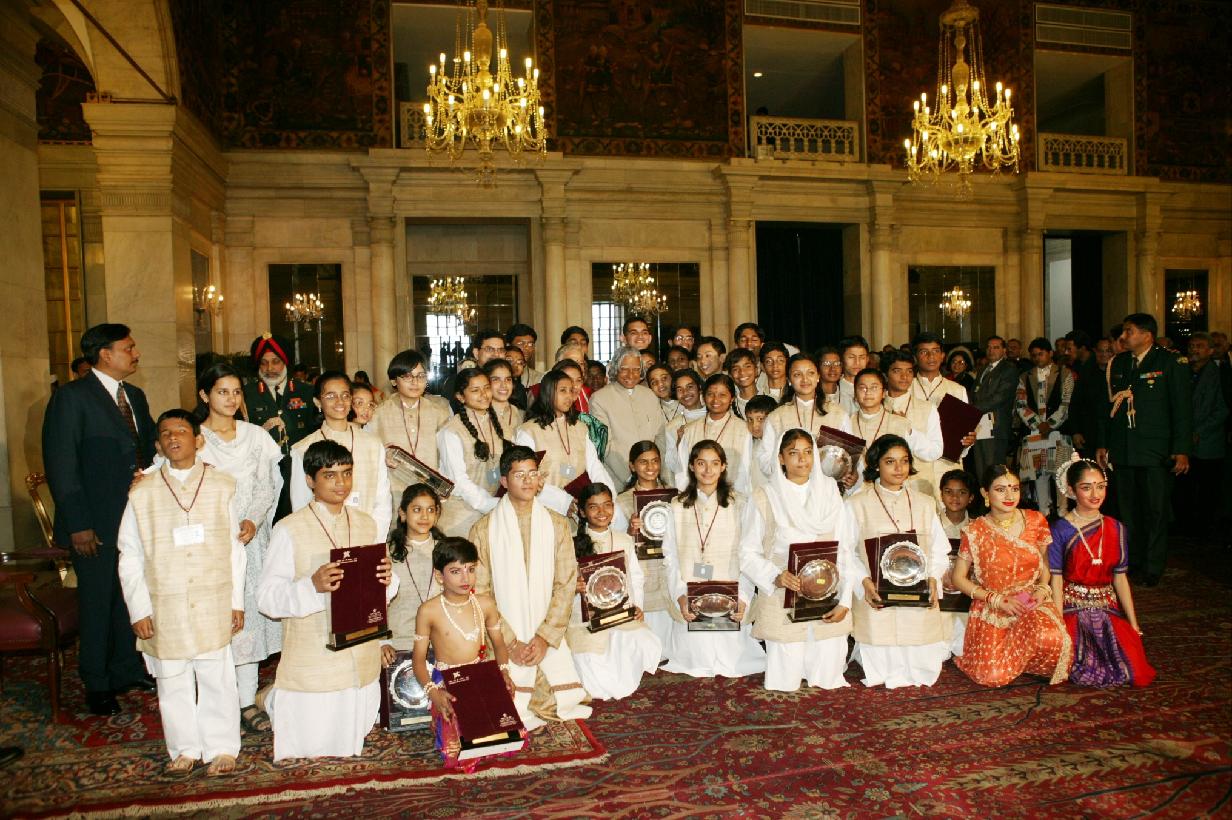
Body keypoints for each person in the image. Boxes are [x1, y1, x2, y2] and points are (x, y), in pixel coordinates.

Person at [117, 409, 245, 775]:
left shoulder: (222, 485)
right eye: (166, 433)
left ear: (198, 440)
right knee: (171, 678)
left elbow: (234, 548)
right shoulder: (142, 492)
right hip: (165, 601)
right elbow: (129, 553)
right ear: (158, 445)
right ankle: (184, 748)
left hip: (213, 596)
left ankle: (222, 747)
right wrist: (139, 609)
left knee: (216, 675)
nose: (174, 437)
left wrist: (236, 601)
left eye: (182, 431)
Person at [257, 440, 397, 761]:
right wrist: (313, 586)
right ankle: (273, 699)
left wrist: (387, 578)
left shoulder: (366, 523)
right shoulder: (289, 528)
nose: (341, 483)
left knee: (355, 735)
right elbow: (266, 598)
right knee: (312, 743)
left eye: (346, 473)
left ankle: (272, 699)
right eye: (329, 475)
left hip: (359, 650)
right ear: (310, 480)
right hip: (314, 653)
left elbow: (380, 588)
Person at [42, 323, 155, 716]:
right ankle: (97, 682)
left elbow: (145, 451)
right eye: (129, 347)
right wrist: (78, 525)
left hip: (134, 518)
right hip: (93, 522)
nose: (136, 353)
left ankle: (126, 668)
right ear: (105, 354)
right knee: (96, 602)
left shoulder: (135, 396)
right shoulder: (72, 398)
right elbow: (61, 465)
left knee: (128, 594)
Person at [469, 446, 593, 730]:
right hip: (503, 638)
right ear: (504, 481)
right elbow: (481, 594)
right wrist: (511, 644)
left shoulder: (558, 524)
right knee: (503, 705)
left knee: (557, 699)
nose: (528, 481)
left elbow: (565, 585)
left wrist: (544, 638)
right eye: (519, 475)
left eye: (533, 474)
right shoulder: (483, 530)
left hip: (546, 633)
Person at [194, 364, 284, 734]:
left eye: (236, 391)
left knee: (246, 622)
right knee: (216, 621)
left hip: (250, 539)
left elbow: (268, 485)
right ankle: (218, 701)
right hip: (210, 544)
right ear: (205, 395)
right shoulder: (194, 438)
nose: (231, 399)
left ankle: (246, 701)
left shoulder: (255, 436)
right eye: (222, 391)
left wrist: (253, 520)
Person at [742, 429, 859, 691]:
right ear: (781, 458)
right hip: (784, 591)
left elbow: (844, 549)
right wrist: (775, 576)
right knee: (785, 681)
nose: (802, 459)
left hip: (828, 592)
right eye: (793, 453)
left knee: (828, 679)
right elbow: (747, 551)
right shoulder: (764, 496)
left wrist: (845, 600)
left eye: (808, 452)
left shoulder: (830, 491)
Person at [950, 465, 1071, 687]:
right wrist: (996, 599)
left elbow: (1045, 564)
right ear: (985, 493)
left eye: (1014, 489)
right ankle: (1011, 659)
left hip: (1030, 600)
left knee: (1053, 640)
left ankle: (1024, 662)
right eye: (1000, 489)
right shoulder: (975, 530)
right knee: (992, 676)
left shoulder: (1035, 520)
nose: (1009, 496)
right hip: (994, 605)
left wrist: (1042, 588)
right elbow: (958, 578)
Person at [847, 435, 952, 688]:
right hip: (877, 594)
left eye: (904, 461)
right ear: (875, 464)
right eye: (890, 461)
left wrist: (933, 578)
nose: (899, 468)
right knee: (882, 667)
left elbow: (939, 549)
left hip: (917, 593)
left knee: (924, 666)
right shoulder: (857, 504)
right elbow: (846, 553)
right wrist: (864, 582)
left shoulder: (925, 503)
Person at [1096, 313, 1192, 586]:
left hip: (1155, 451)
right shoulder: (1119, 363)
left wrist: (1181, 449)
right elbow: (1108, 408)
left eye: (1129, 331)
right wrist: (1104, 443)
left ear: (1147, 335)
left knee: (1155, 511)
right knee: (1128, 511)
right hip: (1124, 449)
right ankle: (1132, 561)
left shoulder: (1170, 362)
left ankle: (1153, 566)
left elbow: (1182, 409)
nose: (1123, 337)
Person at [660, 440, 766, 678]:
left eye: (714, 463)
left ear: (723, 466)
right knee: (696, 657)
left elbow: (749, 555)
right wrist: (681, 595)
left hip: (729, 591)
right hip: (691, 592)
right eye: (701, 463)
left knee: (733, 658)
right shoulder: (676, 506)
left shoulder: (740, 503)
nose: (708, 470)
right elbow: (671, 556)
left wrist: (743, 598)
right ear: (691, 466)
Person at [411, 537, 515, 769]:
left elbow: (499, 645)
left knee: (506, 740)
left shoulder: (485, 604)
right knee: (458, 752)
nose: (465, 578)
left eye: (470, 569)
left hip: (481, 675)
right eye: (456, 571)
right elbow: (418, 661)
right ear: (440, 576)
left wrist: (504, 672)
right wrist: (434, 693)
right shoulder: (428, 611)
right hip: (448, 682)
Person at [1049, 459, 1154, 687]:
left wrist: (1133, 623)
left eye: (1100, 486)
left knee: (1132, 670)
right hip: (1072, 607)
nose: (1095, 494)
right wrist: (1058, 624)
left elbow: (1120, 578)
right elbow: (1055, 579)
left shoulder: (1116, 528)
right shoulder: (1060, 529)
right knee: (1083, 666)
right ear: (1071, 491)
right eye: (1086, 487)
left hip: (1107, 607)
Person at [568, 483, 661, 699]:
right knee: (594, 667)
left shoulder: (623, 539)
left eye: (607, 505)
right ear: (582, 511)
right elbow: (558, 581)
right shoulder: (570, 542)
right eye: (594, 507)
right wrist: (573, 587)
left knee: (644, 640)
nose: (602, 512)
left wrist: (637, 606)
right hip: (585, 616)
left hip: (619, 611)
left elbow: (635, 577)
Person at [289, 372, 392, 538]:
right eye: (331, 396)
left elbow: (382, 499)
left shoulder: (372, 444)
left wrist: (375, 540)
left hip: (368, 536)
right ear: (317, 402)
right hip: (324, 538)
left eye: (345, 395)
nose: (340, 402)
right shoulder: (303, 449)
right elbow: (301, 505)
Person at [516, 369, 624, 522]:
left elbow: (594, 466)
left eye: (571, 391)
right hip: (544, 507)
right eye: (562, 391)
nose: (569, 396)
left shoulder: (580, 427)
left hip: (578, 506)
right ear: (548, 392)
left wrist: (608, 495)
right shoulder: (529, 431)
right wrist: (563, 501)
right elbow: (526, 477)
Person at [436, 368, 512, 536]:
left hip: (497, 512)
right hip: (462, 516)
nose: (484, 394)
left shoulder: (501, 424)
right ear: (460, 397)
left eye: (487, 388)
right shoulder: (451, 431)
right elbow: (458, 481)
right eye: (475, 390)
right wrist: (492, 504)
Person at [616, 441, 675, 654]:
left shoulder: (675, 497)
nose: (650, 467)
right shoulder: (622, 501)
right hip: (644, 567)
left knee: (672, 614)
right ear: (632, 466)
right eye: (643, 462)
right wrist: (630, 531)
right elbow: (616, 542)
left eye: (655, 461)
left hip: (669, 565)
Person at [369, 351, 452, 500]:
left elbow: (448, 458)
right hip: (392, 493)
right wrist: (383, 455)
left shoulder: (440, 413)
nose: (415, 382)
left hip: (430, 494)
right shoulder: (378, 414)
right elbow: (368, 454)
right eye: (407, 376)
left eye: (421, 376)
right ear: (394, 381)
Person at [1174, 332, 1228, 538]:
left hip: (1208, 441)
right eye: (1191, 345)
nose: (1194, 350)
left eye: (1199, 346)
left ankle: (1205, 528)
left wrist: (1199, 431)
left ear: (1210, 351)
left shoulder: (1219, 374)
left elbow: (1222, 410)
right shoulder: (1183, 371)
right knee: (1184, 488)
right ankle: (1184, 525)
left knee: (1207, 488)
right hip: (1184, 441)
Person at [589, 346, 667, 486]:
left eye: (636, 369)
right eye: (624, 369)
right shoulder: (599, 399)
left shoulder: (649, 395)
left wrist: (658, 472)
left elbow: (660, 436)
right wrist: (631, 478)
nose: (631, 375)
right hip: (619, 479)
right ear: (615, 368)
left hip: (653, 477)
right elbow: (605, 446)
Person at [1014, 338, 1075, 518]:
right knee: (1039, 473)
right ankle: (1043, 511)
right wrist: (1037, 423)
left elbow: (1067, 402)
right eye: (1033, 355)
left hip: (1059, 431)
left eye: (1040, 354)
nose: (1037, 358)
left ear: (1050, 353)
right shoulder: (1025, 377)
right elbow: (1021, 404)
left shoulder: (1065, 373)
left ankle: (1063, 512)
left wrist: (1050, 423)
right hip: (1035, 431)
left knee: (1061, 471)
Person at [384, 483, 446, 661]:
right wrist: (382, 642)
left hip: (442, 644)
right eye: (417, 510)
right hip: (400, 645)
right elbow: (375, 604)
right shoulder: (387, 553)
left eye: (430, 510)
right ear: (403, 514)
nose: (424, 516)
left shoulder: (447, 550)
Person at [761, 353, 852, 470]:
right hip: (789, 480)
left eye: (810, 373)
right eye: (797, 374)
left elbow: (850, 455)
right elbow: (765, 460)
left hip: (827, 480)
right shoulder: (776, 417)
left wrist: (847, 472)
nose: (805, 379)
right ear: (789, 380)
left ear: (818, 376)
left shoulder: (838, 414)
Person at [674, 374, 756, 494]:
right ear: (703, 397)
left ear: (732, 399)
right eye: (710, 394)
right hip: (696, 497)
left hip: (732, 497)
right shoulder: (689, 430)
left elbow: (746, 472)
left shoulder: (744, 429)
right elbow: (682, 472)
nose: (715, 400)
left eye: (722, 395)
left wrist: (737, 498)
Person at [882, 351, 945, 497]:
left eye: (909, 371)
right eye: (897, 371)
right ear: (885, 375)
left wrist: (909, 431)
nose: (904, 376)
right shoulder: (876, 406)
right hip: (884, 487)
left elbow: (935, 451)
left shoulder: (927, 408)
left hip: (919, 486)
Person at [848, 368, 913, 480]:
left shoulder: (901, 423)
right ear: (855, 393)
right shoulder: (846, 422)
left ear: (883, 393)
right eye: (862, 388)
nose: (868, 392)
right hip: (856, 486)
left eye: (874, 387)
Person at [972, 335, 1020, 481]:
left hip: (996, 424)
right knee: (980, 466)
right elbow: (974, 392)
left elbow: (1000, 396)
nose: (991, 350)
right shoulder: (983, 369)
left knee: (994, 467)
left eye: (996, 347)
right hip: (979, 423)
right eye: (989, 347)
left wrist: (973, 408)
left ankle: (996, 493)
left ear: (1004, 350)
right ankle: (984, 494)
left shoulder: (1008, 369)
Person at [835, 336, 871, 415]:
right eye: (851, 357)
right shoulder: (834, 389)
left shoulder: (875, 387)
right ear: (841, 359)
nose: (857, 362)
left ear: (867, 359)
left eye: (862, 357)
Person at [725, 348, 760, 416]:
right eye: (735, 369)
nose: (742, 372)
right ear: (730, 375)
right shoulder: (728, 408)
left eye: (747, 366)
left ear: (756, 370)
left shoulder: (771, 400)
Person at [816, 347, 845, 414]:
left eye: (837, 364)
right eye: (827, 364)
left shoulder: (848, 395)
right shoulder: (811, 395)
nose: (832, 368)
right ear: (817, 367)